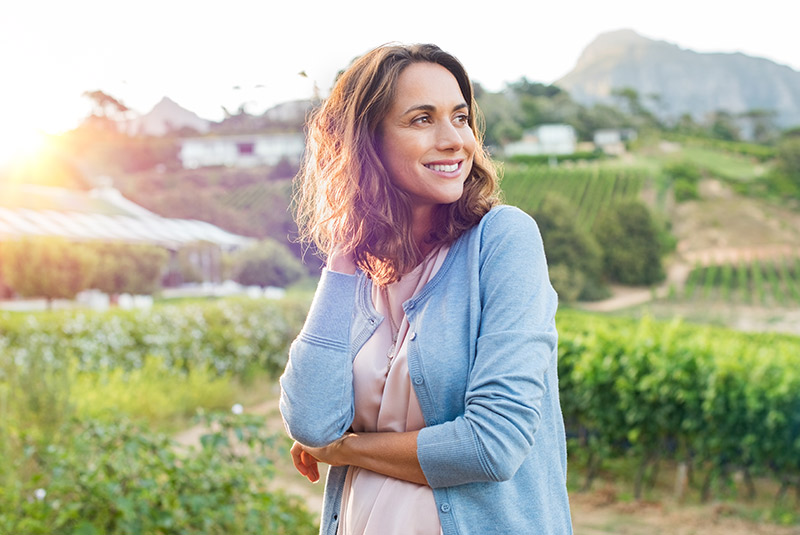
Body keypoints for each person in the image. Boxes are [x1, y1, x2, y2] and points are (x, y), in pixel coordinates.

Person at [279, 43, 572, 535]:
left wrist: (346, 449)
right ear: (366, 143)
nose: (454, 139)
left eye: (460, 118)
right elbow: (311, 422)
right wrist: (343, 253)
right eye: (421, 119)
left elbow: (492, 445)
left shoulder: (502, 240)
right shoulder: (358, 274)